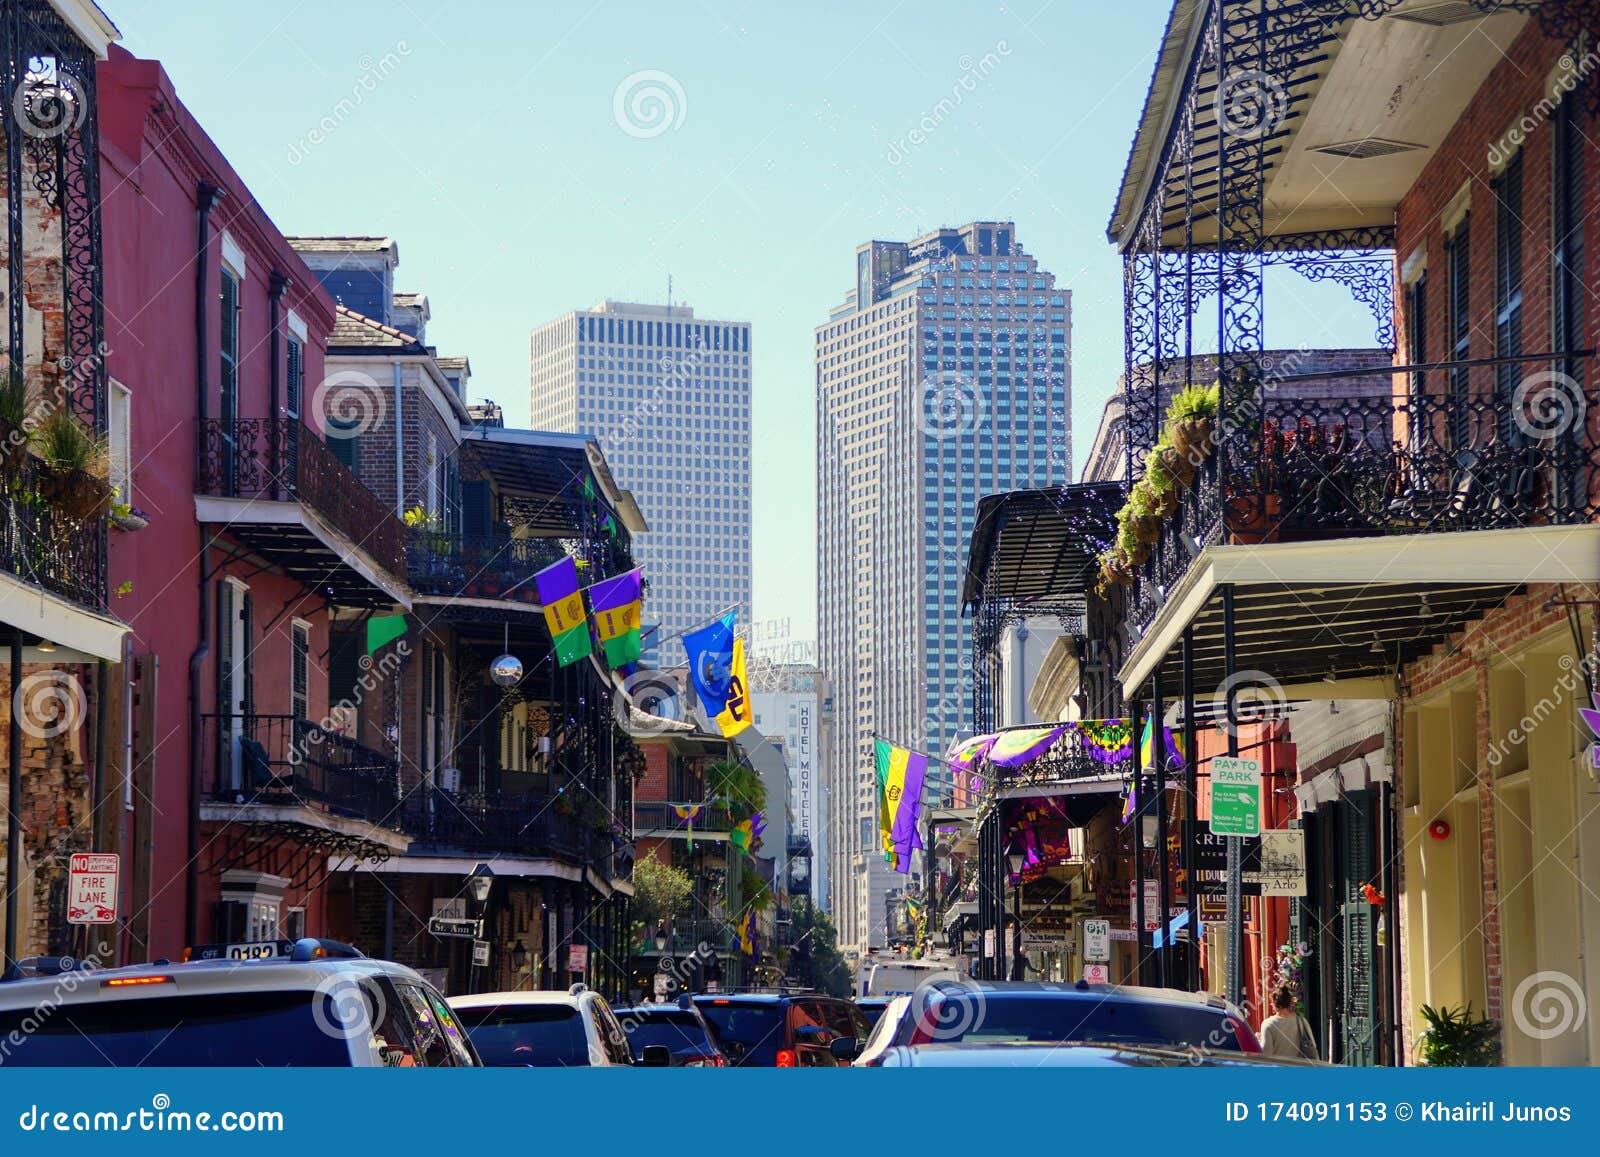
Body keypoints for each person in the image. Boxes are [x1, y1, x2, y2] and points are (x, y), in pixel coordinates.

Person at [1259, 984, 1319, 1060]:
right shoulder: (1302, 1021)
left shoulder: (1268, 1024)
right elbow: (1312, 1045)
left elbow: (1266, 1054)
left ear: (1274, 1003)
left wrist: (1259, 1041)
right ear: (1290, 1002)